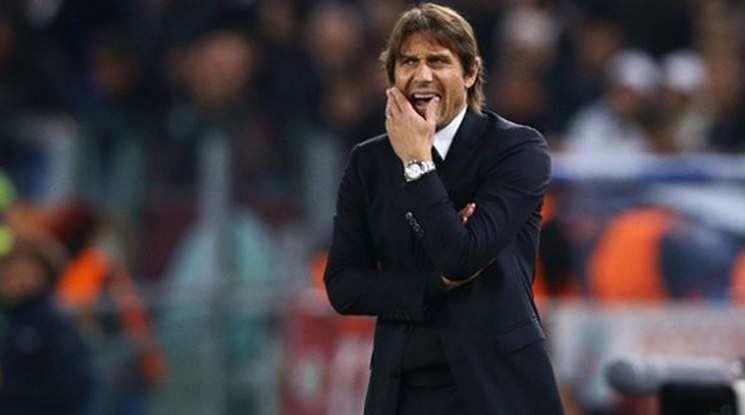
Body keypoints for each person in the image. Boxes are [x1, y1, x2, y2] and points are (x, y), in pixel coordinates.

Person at [323, 3, 565, 414]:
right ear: (392, 77)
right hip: (403, 384)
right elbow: (343, 285)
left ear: (470, 73)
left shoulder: (516, 149)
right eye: (408, 62)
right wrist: (433, 284)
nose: (422, 75)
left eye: (438, 61)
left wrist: (417, 162)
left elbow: (459, 257)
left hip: (498, 386)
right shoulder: (369, 162)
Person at [0, 233, 92, 415]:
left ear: (40, 275)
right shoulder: (14, 320)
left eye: (17, 272)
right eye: (6, 271)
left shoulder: (50, 322)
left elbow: (67, 386)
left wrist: (9, 385)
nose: (8, 278)